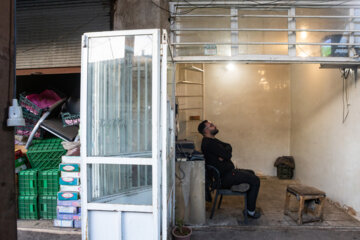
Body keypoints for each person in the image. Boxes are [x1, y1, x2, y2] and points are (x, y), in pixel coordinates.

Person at [198, 120, 261, 219]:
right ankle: (250, 211)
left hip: (228, 173)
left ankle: (237, 187)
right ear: (205, 131)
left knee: (251, 172)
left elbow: (228, 146)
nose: (214, 125)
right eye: (211, 125)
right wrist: (225, 155)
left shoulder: (213, 140)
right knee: (255, 180)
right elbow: (227, 154)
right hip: (224, 177)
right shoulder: (209, 143)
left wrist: (225, 154)